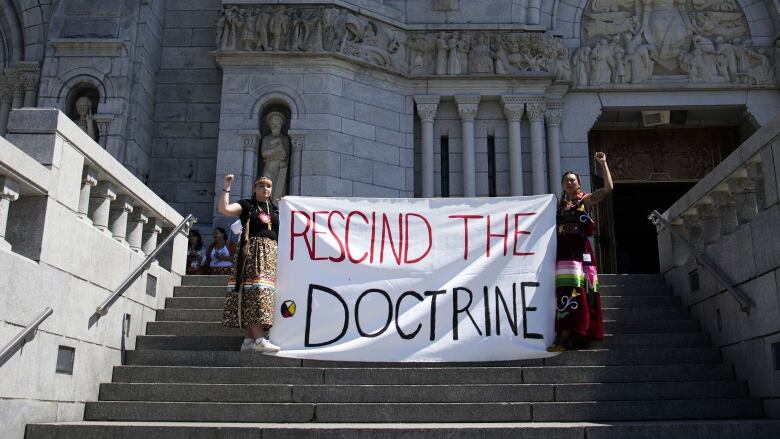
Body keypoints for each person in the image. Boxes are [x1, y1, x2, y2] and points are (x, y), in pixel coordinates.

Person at [548, 152, 613, 352]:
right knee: (565, 291)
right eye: (566, 180)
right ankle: (564, 334)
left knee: (585, 291)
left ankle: (584, 331)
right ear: (562, 184)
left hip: (581, 252)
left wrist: (603, 164)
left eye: (572, 180)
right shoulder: (557, 206)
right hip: (564, 254)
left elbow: (608, 189)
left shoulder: (585, 201)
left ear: (579, 183)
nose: (569, 183)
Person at [218, 174, 281, 353]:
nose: (265, 189)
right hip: (252, 252)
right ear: (254, 189)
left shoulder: (274, 209)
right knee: (255, 293)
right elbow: (224, 209)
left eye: (268, 186)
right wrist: (227, 187)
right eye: (261, 186)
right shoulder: (247, 205)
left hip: (270, 254)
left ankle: (248, 340)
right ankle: (259, 339)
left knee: (258, 293)